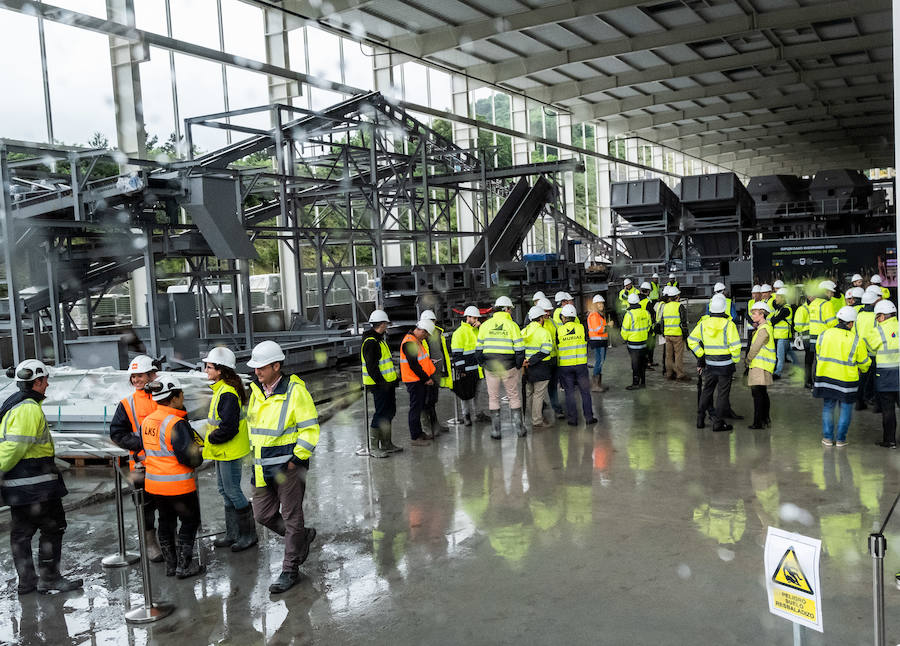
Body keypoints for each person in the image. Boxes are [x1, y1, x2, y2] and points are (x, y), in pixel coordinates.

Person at [1, 360, 82, 595]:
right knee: (53, 528)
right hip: (36, 486)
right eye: (45, 380)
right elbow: (15, 447)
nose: (47, 384)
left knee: (21, 533)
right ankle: (49, 578)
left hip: (23, 486)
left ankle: (27, 582)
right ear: (36, 382)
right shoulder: (28, 408)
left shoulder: (14, 404)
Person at [245, 340, 320, 593]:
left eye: (262, 367)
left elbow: (310, 429)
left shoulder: (295, 391)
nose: (257, 372)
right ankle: (301, 537)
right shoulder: (256, 391)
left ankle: (290, 569)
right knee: (262, 515)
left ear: (277, 366)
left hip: (287, 468)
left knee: (291, 517)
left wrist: (295, 460)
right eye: (255, 368)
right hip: (261, 467)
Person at [142, 377, 204, 578]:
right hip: (179, 485)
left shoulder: (148, 421)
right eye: (181, 394)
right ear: (175, 397)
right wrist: (198, 453)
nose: (183, 397)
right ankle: (185, 566)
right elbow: (190, 458)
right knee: (189, 521)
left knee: (165, 522)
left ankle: (171, 565)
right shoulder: (176, 424)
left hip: (154, 485)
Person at [202, 346, 257, 552]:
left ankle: (248, 535)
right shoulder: (222, 389)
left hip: (229, 450)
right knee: (224, 490)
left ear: (220, 370)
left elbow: (229, 427)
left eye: (209, 367)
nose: (206, 371)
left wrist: (211, 438)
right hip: (224, 450)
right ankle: (233, 533)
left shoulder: (227, 393)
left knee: (233, 491)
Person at [107, 354, 162, 562]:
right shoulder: (127, 403)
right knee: (146, 506)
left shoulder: (164, 394)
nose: (136, 380)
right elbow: (117, 433)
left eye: (140, 376)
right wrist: (142, 443)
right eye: (134, 377)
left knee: (170, 503)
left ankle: (168, 539)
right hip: (141, 464)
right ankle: (150, 543)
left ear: (152, 375)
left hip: (167, 464)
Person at [813, 307, 870, 447]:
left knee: (828, 407)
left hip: (825, 377)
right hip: (846, 381)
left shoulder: (824, 334)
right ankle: (840, 439)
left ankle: (827, 438)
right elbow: (864, 363)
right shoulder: (855, 340)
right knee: (845, 409)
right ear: (850, 323)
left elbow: (819, 355)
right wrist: (862, 368)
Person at [688, 294, 741, 432]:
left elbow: (691, 340)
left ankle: (700, 419)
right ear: (724, 309)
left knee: (707, 391)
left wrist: (702, 354)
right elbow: (735, 346)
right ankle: (718, 423)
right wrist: (735, 360)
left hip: (710, 364)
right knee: (722, 394)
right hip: (726, 366)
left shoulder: (703, 323)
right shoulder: (729, 325)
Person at [477, 296, 525, 439]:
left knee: (493, 398)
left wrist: (483, 364)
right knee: (513, 396)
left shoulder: (485, 325)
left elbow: (478, 350)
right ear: (507, 309)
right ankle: (520, 429)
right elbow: (520, 350)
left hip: (491, 367)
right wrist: (517, 365)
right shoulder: (513, 326)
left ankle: (496, 431)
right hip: (509, 366)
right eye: (510, 310)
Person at [361, 310, 402, 457]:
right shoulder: (371, 342)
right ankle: (374, 447)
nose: (387, 326)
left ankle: (386, 444)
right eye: (386, 323)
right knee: (380, 414)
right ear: (382, 324)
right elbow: (372, 368)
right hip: (379, 385)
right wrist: (382, 383)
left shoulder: (379, 340)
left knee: (389, 412)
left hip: (387, 384)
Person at [556, 303, 597, 426]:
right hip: (580, 365)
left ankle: (572, 420)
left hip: (565, 366)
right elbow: (586, 341)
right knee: (585, 392)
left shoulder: (559, 330)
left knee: (569, 393)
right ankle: (589, 418)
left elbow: (557, 346)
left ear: (564, 318)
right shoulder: (581, 328)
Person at [867, 300, 899, 448]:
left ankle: (890, 441)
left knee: (888, 410)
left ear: (881, 316)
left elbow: (871, 349)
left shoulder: (879, 331)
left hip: (886, 376)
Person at [400, 320, 437, 445]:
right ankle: (415, 437)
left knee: (418, 407)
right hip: (414, 381)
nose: (426, 337)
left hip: (417, 380)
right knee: (415, 408)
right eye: (426, 335)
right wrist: (426, 379)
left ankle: (419, 433)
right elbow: (414, 365)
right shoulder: (410, 342)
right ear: (422, 331)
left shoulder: (415, 341)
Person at [451, 306, 489, 426]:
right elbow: (457, 354)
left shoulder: (478, 330)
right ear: (467, 317)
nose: (476, 320)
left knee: (476, 393)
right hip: (467, 370)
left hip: (477, 369)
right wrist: (461, 369)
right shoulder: (459, 333)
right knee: (465, 395)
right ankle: (466, 416)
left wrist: (481, 327)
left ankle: (477, 414)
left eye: (477, 318)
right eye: (474, 317)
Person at [522, 305, 554, 430]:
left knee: (529, 393)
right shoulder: (544, 332)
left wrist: (526, 362)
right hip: (541, 367)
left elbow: (519, 349)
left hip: (526, 368)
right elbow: (546, 351)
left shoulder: (523, 331)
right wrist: (532, 361)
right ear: (540, 318)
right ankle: (537, 420)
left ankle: (533, 418)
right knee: (538, 395)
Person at [420, 309, 451, 434]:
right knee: (426, 401)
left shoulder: (438, 333)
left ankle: (435, 425)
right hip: (426, 374)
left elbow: (442, 351)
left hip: (436, 372)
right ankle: (427, 428)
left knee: (433, 400)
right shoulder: (421, 335)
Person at [746, 302, 776, 429]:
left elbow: (755, 347)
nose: (752, 316)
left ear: (762, 314)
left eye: (754, 313)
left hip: (759, 366)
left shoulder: (763, 330)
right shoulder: (765, 327)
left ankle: (758, 422)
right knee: (762, 394)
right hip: (763, 366)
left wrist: (747, 359)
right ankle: (765, 419)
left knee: (757, 395)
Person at [538, 297, 566, 419]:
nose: (548, 313)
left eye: (549, 311)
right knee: (539, 389)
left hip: (554, 359)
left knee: (552, 386)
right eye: (546, 311)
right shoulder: (536, 326)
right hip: (542, 362)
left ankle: (557, 409)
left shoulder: (552, 323)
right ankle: (538, 411)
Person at [621, 293, 652, 390]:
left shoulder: (629, 314)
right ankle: (643, 383)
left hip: (633, 344)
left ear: (629, 303)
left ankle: (635, 383)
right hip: (643, 343)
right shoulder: (646, 312)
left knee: (635, 364)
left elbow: (624, 331)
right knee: (642, 363)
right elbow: (649, 327)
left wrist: (625, 338)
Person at [857, 290, 880, 409]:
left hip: (862, 351)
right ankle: (877, 404)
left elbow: (855, 332)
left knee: (863, 377)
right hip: (874, 351)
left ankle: (859, 402)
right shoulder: (876, 317)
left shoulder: (859, 315)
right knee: (876, 377)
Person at [662, 286, 690, 381]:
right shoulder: (680, 306)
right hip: (677, 335)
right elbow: (683, 322)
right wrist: (686, 335)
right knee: (678, 356)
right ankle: (680, 374)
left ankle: (669, 373)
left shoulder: (665, 306)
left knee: (668, 356)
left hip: (667, 335)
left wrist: (663, 333)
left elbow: (662, 322)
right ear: (677, 296)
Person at [768, 288, 794, 379]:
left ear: (783, 298)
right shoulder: (780, 308)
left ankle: (777, 373)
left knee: (780, 357)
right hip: (780, 336)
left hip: (782, 337)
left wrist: (773, 319)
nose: (776, 299)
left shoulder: (786, 309)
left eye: (778, 297)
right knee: (791, 355)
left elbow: (774, 320)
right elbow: (773, 306)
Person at [587, 294, 610, 392]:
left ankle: (598, 383)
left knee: (600, 362)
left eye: (602, 303)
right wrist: (608, 325)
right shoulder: (594, 315)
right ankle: (595, 385)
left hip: (601, 341)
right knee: (599, 362)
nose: (601, 305)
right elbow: (598, 329)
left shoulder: (599, 315)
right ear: (595, 305)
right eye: (599, 303)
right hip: (598, 341)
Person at [794, 293, 812, 388]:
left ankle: (809, 381)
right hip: (807, 336)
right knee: (809, 360)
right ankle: (808, 381)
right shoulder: (803, 309)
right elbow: (798, 326)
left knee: (811, 360)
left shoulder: (813, 307)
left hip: (812, 335)